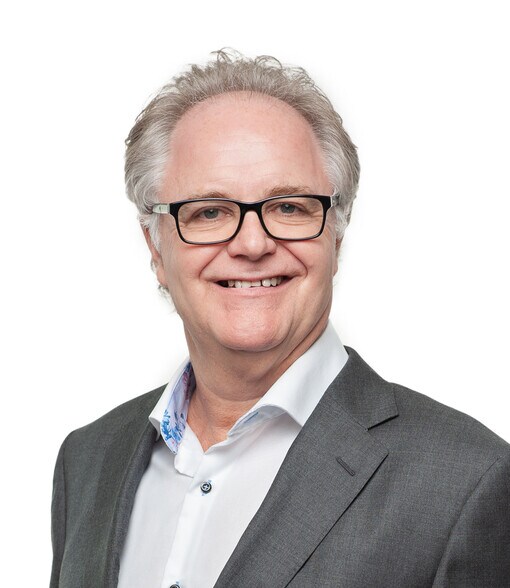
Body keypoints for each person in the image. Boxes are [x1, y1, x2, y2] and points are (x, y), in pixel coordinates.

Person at [50, 50, 510, 588]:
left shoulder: (465, 483)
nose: (252, 244)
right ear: (156, 248)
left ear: (336, 235)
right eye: (209, 212)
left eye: (289, 207)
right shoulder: (87, 461)